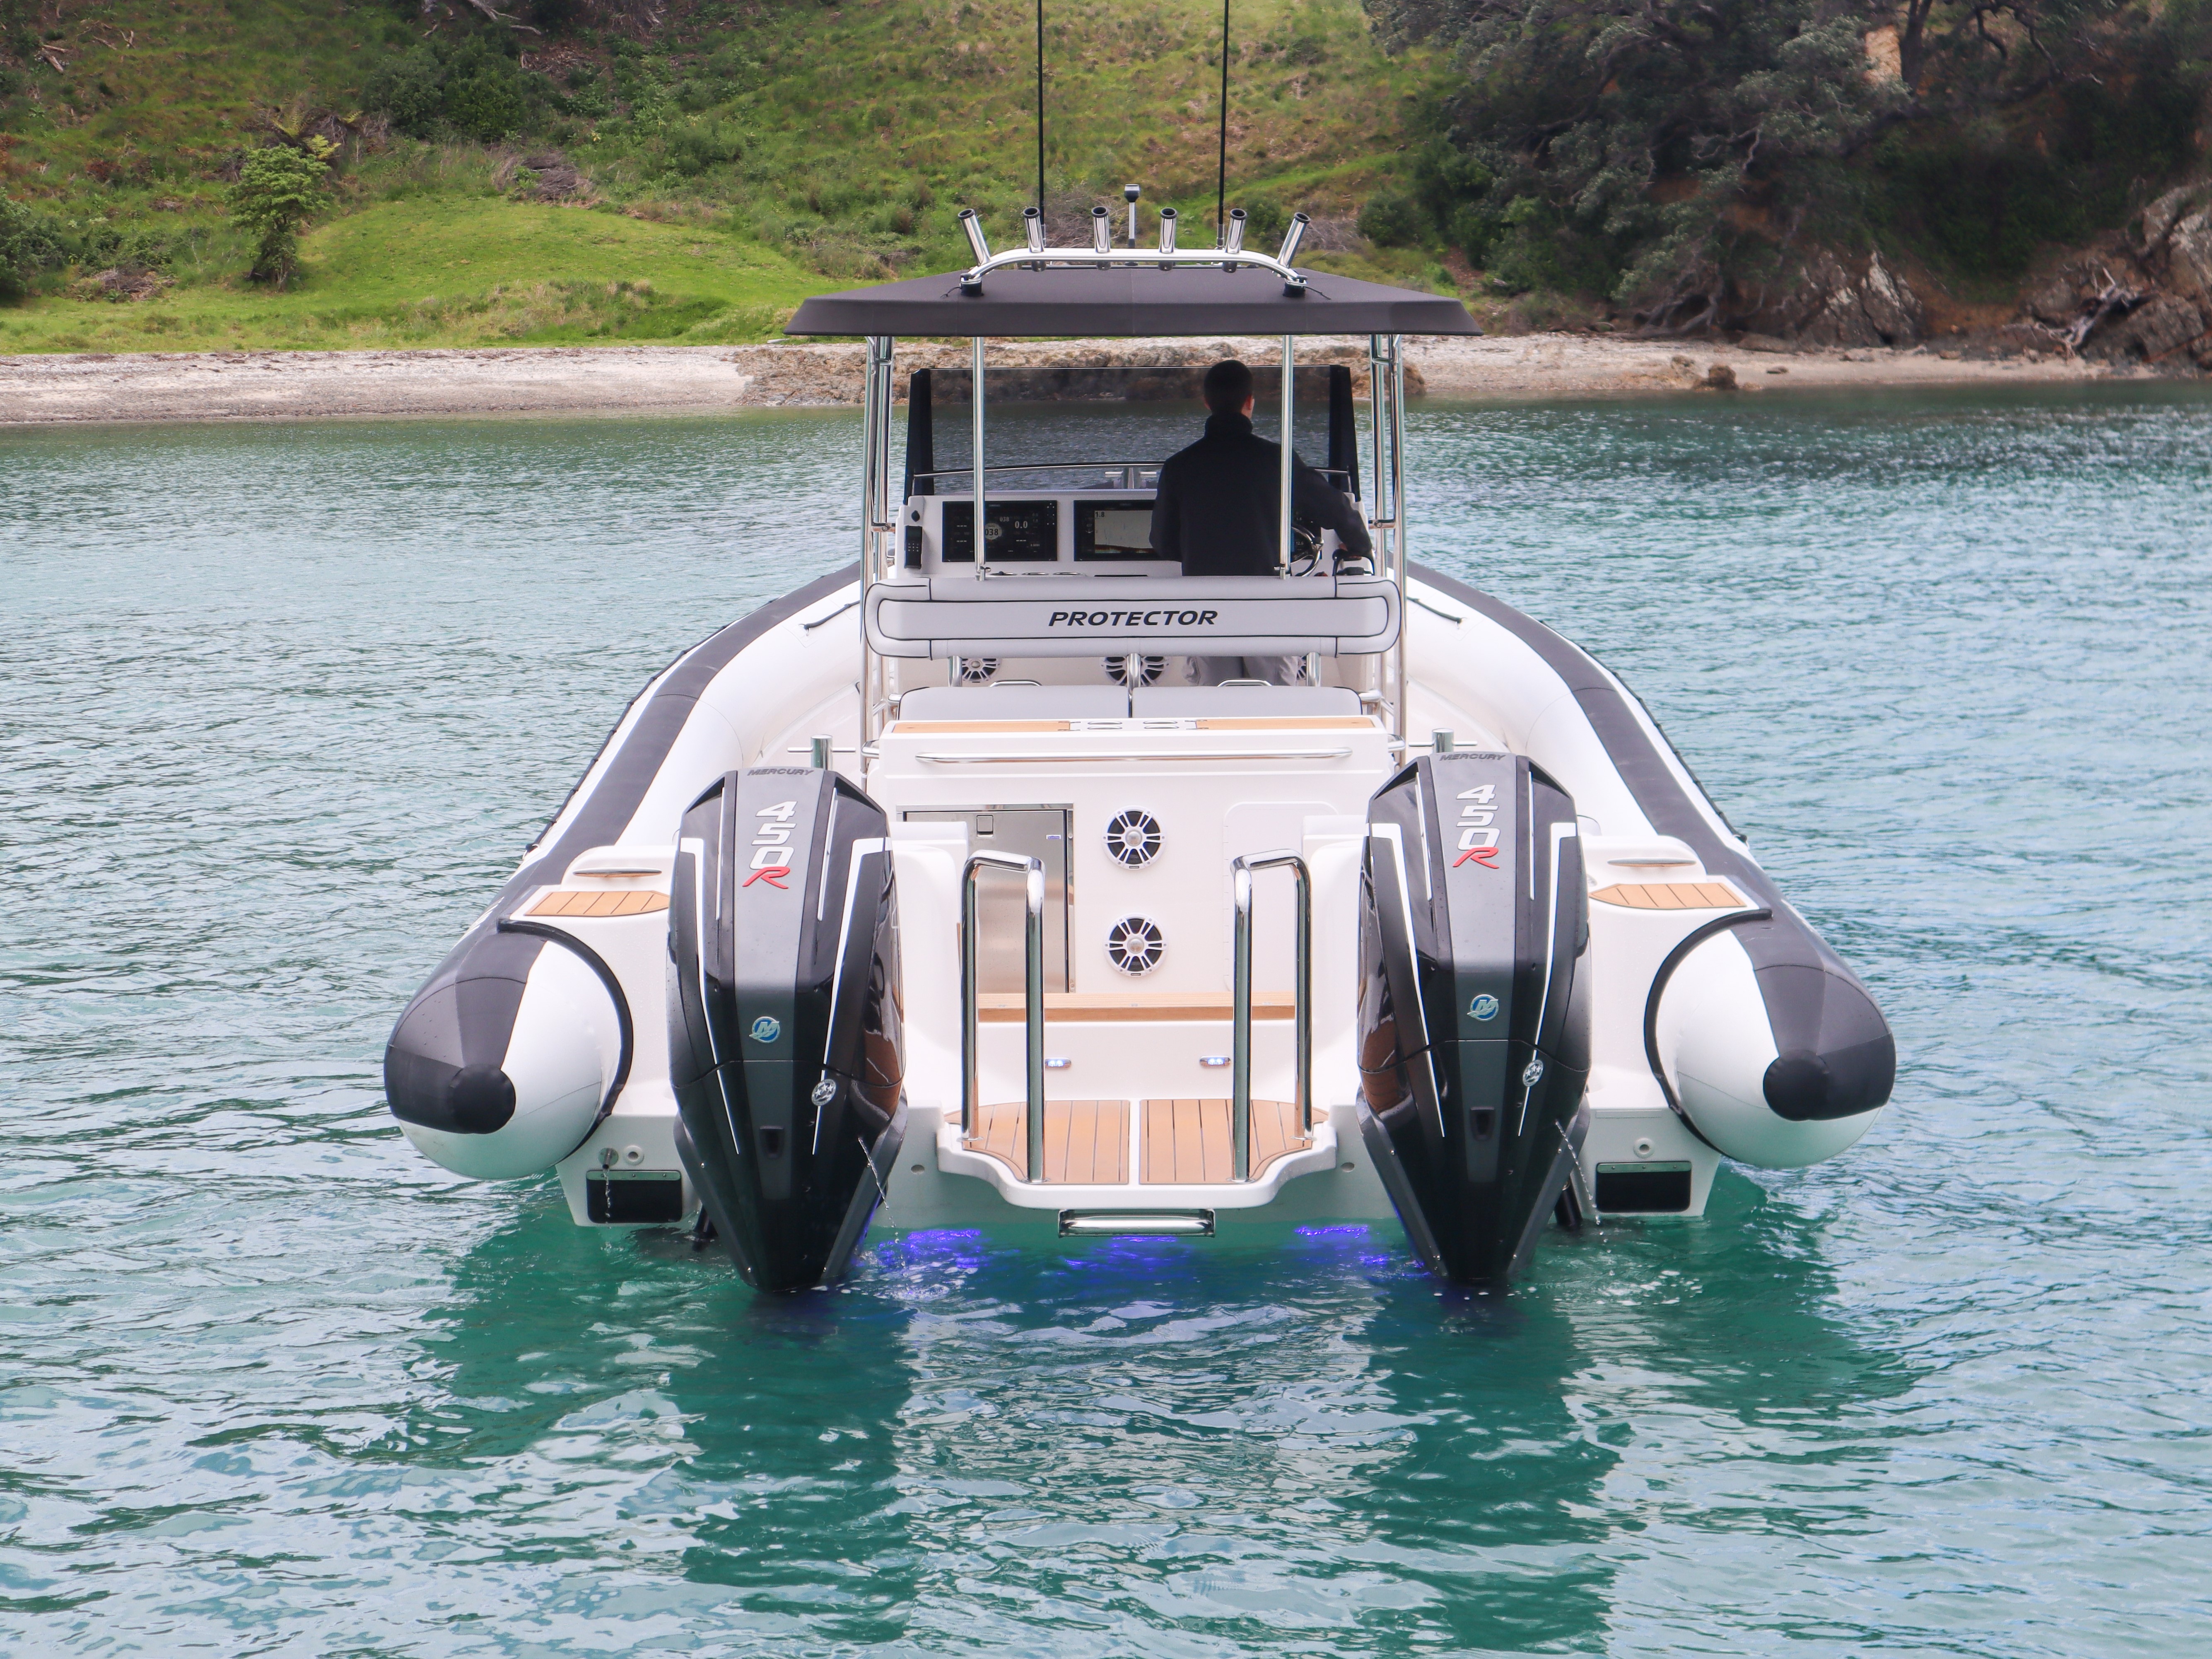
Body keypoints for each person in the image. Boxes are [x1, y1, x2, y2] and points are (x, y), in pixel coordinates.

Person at [1149, 358, 1374, 685]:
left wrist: (1206, 553)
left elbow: (1163, 543)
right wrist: (1359, 546)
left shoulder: (1178, 467)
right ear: (1250, 402)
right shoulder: (1277, 461)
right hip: (1266, 605)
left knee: (1215, 698)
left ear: (1207, 403)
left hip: (1206, 609)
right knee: (1274, 699)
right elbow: (1335, 508)